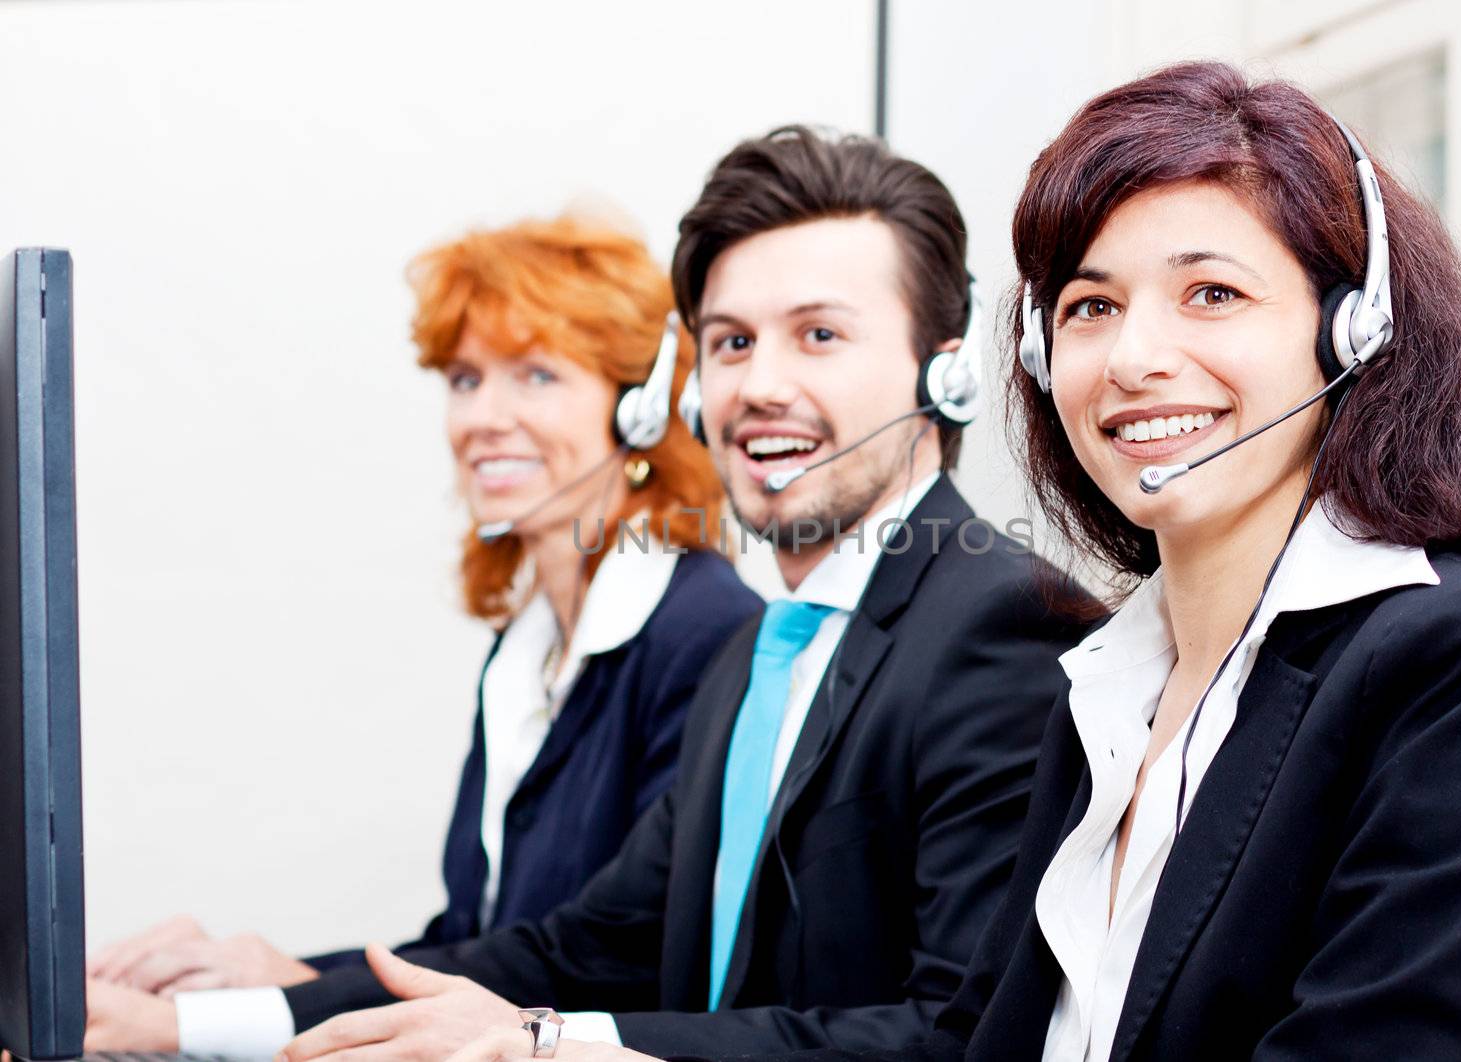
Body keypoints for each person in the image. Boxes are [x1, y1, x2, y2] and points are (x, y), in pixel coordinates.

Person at [458, 61, 1461, 1062]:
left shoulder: (1459, 655)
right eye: (1091, 306)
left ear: (1354, 330)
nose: (1135, 356)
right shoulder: (1105, 691)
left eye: (1212, 293)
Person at [222, 125, 1101, 1060]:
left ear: (946, 370)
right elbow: (589, 947)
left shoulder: (1002, 626)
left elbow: (955, 1037)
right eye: (730, 343)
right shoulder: (754, 659)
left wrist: (545, 1046)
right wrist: (213, 1022)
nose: (760, 384)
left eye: (818, 335)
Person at [82, 216, 762, 1057]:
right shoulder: (526, 651)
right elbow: (471, 936)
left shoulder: (705, 633)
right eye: (466, 378)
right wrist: (278, 971)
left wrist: (195, 1023)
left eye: (536, 375)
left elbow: (601, 962)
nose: (484, 417)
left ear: (641, 412)